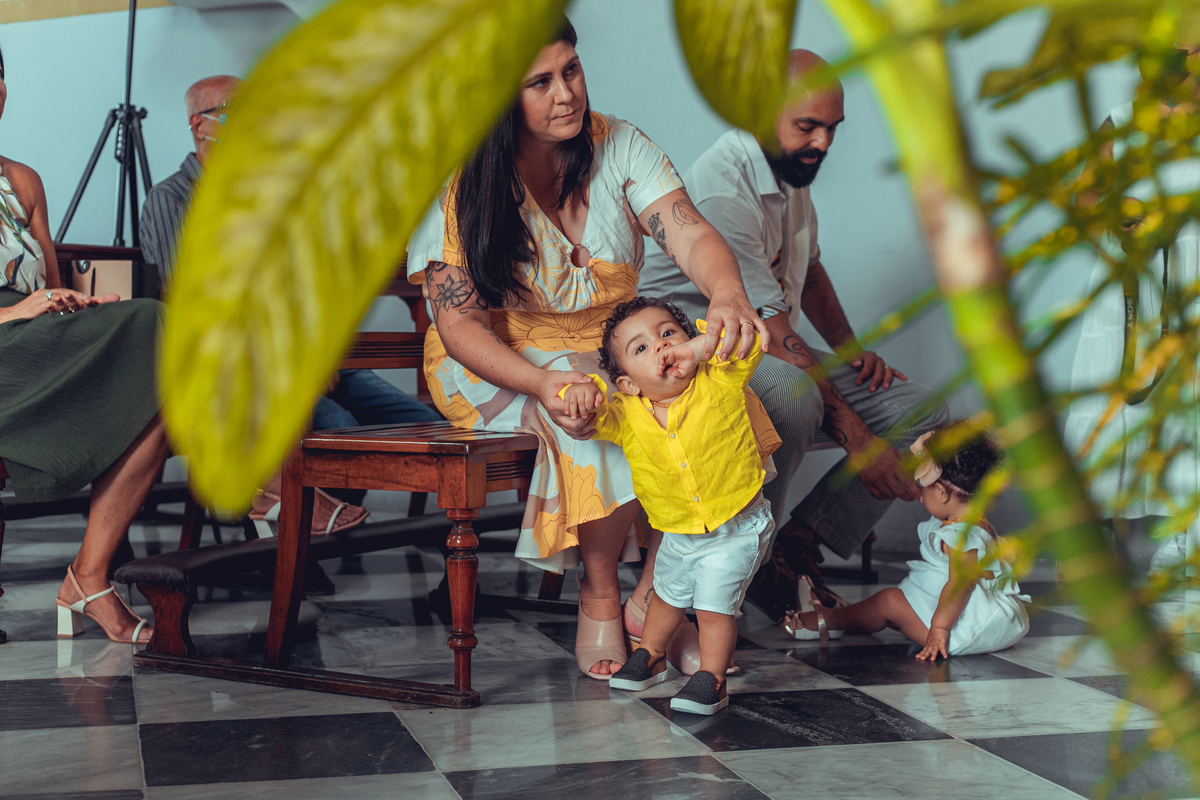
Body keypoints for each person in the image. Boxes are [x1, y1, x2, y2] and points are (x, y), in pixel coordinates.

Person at [405, 19, 770, 679]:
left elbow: (689, 232)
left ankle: (656, 601)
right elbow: (459, 328)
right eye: (539, 83)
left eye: (570, 70)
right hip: (494, 355)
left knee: (716, 400)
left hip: (606, 341)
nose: (566, 93)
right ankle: (600, 595)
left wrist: (726, 294)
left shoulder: (619, 143)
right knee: (589, 400)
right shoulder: (463, 178)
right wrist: (541, 384)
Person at [639, 49, 949, 617]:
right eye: (808, 126)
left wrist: (851, 352)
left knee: (924, 412)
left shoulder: (789, 167)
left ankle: (796, 545)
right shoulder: (724, 189)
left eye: (832, 127)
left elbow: (811, 269)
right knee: (791, 392)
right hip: (698, 357)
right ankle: (741, 563)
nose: (823, 143)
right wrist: (861, 444)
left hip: (760, 343)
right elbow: (777, 337)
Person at [140, 75, 439, 513]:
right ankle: (301, 536)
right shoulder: (172, 199)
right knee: (338, 430)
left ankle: (392, 534)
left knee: (425, 427)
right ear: (199, 125)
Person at [0, 47, 167, 644]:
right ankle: (263, 484)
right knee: (156, 324)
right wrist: (14, 311)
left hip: (36, 339)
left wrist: (74, 302)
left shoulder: (20, 181)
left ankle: (88, 577)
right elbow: (25, 304)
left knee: (165, 379)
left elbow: (50, 285)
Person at [571, 298, 777, 714]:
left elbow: (749, 341)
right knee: (664, 596)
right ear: (629, 384)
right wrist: (577, 395)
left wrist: (700, 349)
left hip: (736, 527)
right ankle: (650, 655)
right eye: (641, 348)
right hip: (678, 530)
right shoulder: (627, 413)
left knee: (712, 607)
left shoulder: (721, 377)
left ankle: (712, 679)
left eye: (668, 333)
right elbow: (590, 419)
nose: (662, 346)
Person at [1063, 58, 1200, 576]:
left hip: (1193, 280)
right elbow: (1084, 199)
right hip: (1131, 284)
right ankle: (1093, 540)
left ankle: (1185, 535)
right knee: (1112, 400)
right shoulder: (1120, 122)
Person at [781, 426, 1029, 657]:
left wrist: (939, 629)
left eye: (925, 487)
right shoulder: (977, 523)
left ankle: (832, 619)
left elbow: (960, 585)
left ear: (942, 493)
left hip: (966, 631)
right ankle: (854, 618)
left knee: (888, 603)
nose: (919, 491)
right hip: (984, 618)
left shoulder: (960, 537)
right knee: (900, 600)